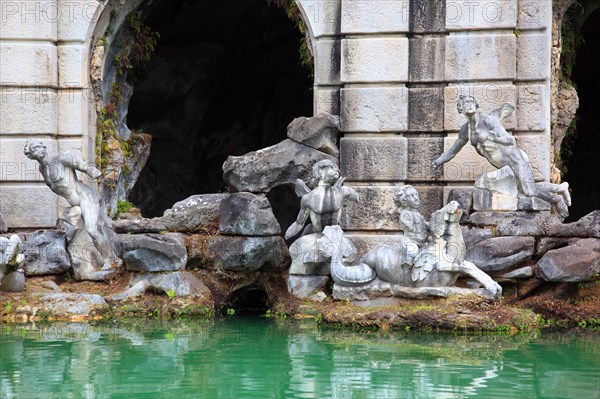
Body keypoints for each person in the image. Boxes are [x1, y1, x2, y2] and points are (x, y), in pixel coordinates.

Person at [433, 95, 571, 217]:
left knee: (529, 190)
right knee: (525, 188)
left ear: (476, 105)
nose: (468, 103)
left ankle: (557, 200)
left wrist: (494, 138)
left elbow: (510, 140)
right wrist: (438, 161)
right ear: (460, 109)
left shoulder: (488, 121)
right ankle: (560, 188)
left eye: (471, 101)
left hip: (514, 159)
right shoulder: (465, 130)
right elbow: (452, 151)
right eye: (465, 102)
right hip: (502, 166)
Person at [23, 140, 116, 268]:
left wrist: (92, 171)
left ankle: (109, 260)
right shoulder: (43, 169)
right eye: (32, 151)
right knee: (87, 229)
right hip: (74, 203)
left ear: (43, 147)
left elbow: (84, 166)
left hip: (84, 196)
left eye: (36, 148)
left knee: (92, 230)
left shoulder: (62, 159)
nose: (35, 152)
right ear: (31, 156)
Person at [285, 160, 359, 240]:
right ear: (320, 172)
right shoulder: (308, 198)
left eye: (335, 168)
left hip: (334, 236)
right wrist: (286, 236)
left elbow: (358, 198)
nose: (336, 170)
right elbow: (299, 223)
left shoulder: (342, 191)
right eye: (331, 167)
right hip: (315, 237)